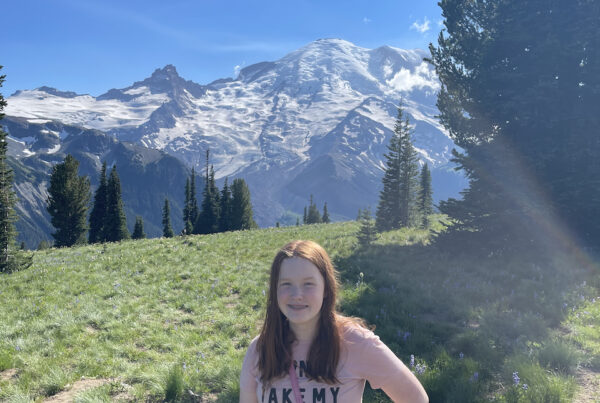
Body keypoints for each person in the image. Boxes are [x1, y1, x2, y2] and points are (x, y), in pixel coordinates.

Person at [240, 240, 428, 403]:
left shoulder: (356, 342)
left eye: (308, 284)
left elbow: (416, 398)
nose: (297, 295)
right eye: (286, 284)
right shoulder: (260, 349)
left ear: (326, 289)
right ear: (275, 290)